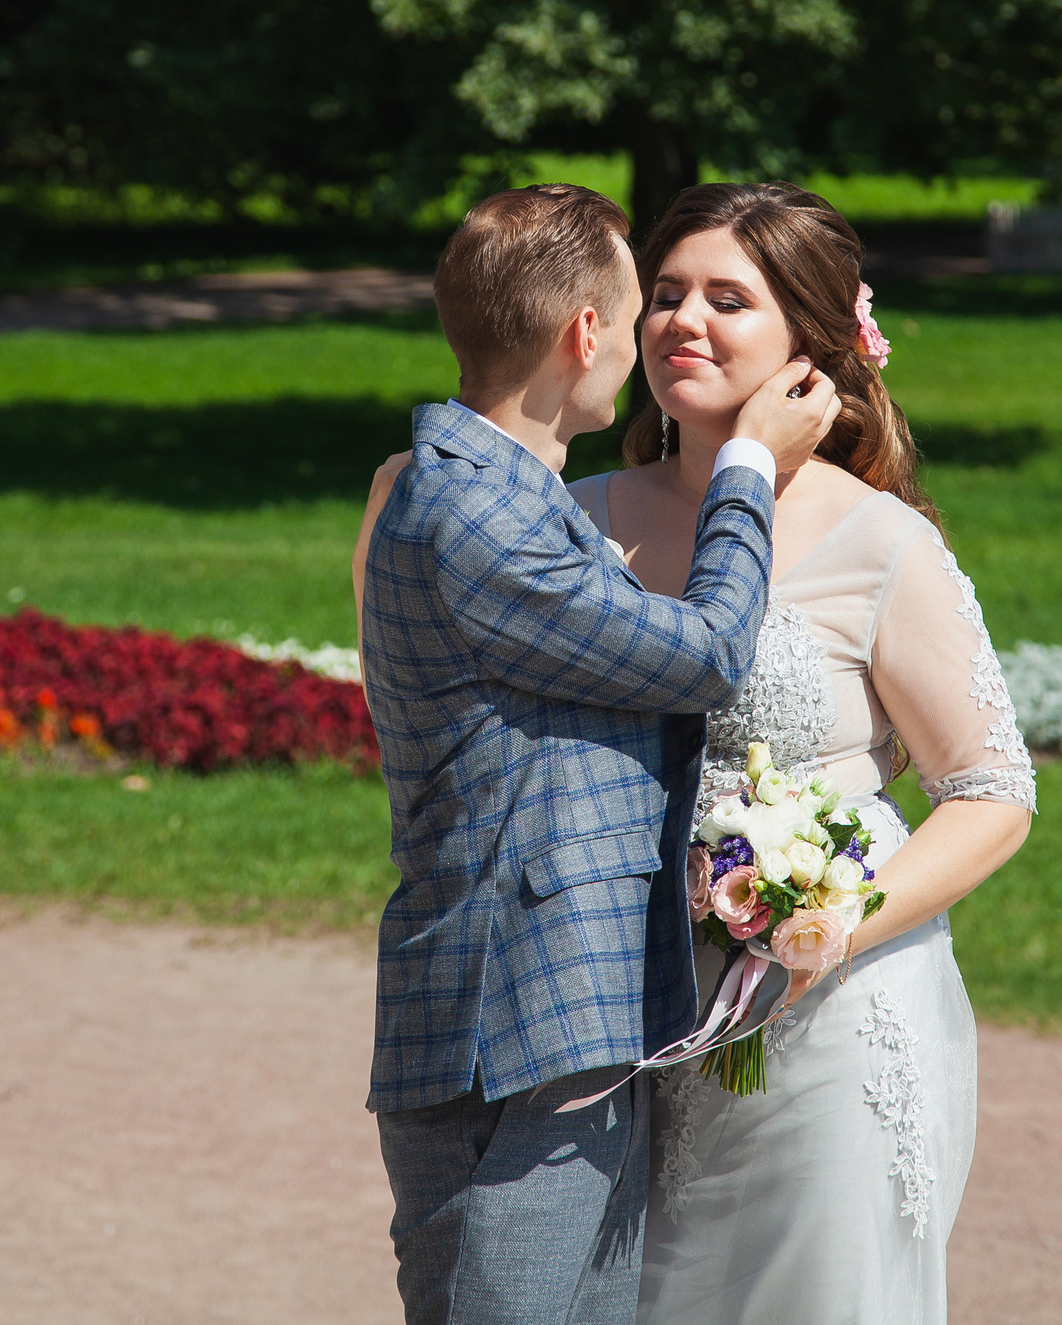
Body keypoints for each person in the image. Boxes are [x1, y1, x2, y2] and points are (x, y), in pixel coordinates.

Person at [356, 183, 841, 1325]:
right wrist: (745, 473)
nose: (650, 342)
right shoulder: (472, 512)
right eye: (639, 315)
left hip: (572, 1017)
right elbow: (707, 653)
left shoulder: (512, 494)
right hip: (507, 1025)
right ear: (586, 335)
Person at [569, 181, 1037, 1325]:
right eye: (667, 294)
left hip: (824, 1030)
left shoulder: (876, 540)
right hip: (616, 1023)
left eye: (729, 299)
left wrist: (813, 933)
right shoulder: (576, 519)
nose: (684, 320)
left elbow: (989, 791)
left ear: (810, 352)